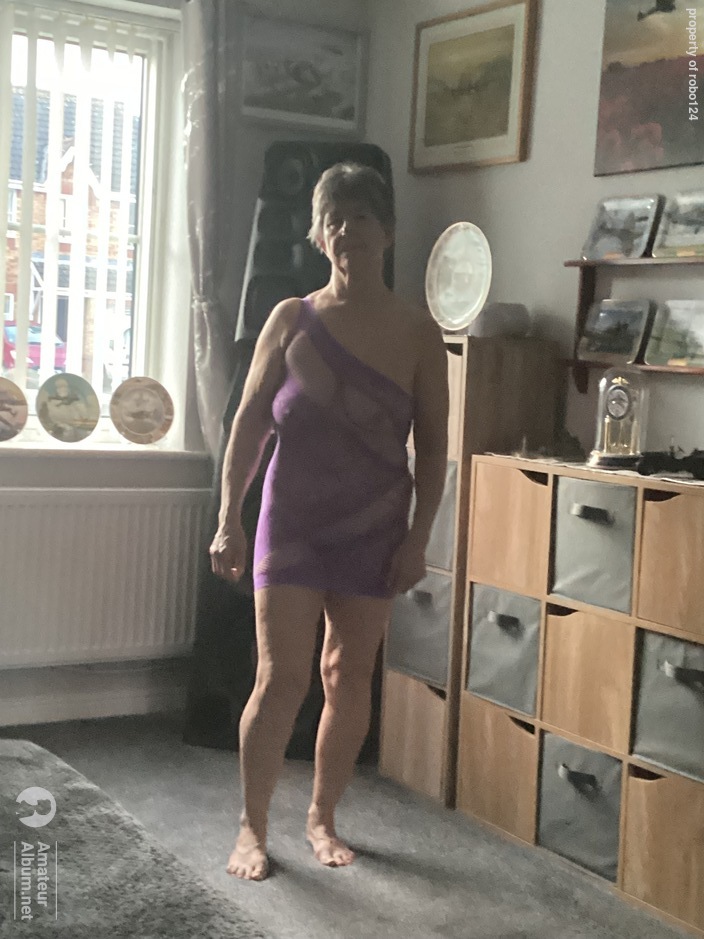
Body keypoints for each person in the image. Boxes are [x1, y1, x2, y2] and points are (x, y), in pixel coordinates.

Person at [210, 162, 449, 881]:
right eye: (334, 219)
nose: (349, 230)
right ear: (319, 236)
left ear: (388, 231)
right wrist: (228, 518)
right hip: (290, 521)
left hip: (375, 526)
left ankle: (322, 817)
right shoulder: (291, 320)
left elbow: (435, 447)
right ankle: (251, 828)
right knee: (281, 677)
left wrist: (419, 538)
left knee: (348, 676)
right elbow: (248, 425)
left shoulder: (419, 333)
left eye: (362, 216)